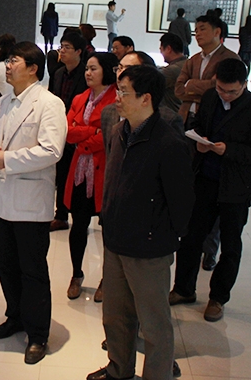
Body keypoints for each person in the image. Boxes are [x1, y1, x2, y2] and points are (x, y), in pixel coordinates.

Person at [87, 65, 195, 380]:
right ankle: (119, 369)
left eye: (124, 92)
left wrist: (162, 236)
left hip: (149, 247)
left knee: (154, 323)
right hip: (116, 241)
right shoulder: (119, 132)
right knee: (115, 316)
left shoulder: (168, 142)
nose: (117, 98)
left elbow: (182, 202)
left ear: (146, 98)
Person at [0, 41, 67, 365]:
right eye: (7, 60)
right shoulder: (2, 101)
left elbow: (51, 150)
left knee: (32, 270)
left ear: (33, 68)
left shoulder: (49, 104)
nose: (7, 65)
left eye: (13, 60)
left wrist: (7, 160)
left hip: (30, 203)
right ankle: (15, 316)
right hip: (3, 198)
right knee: (5, 264)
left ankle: (38, 334)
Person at [170, 58, 251, 322]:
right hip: (205, 178)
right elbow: (199, 127)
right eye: (221, 89)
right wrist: (198, 140)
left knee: (230, 244)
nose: (225, 95)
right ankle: (183, 289)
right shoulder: (209, 98)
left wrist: (229, 150)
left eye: (232, 91)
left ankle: (218, 297)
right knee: (190, 237)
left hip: (236, 186)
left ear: (244, 85)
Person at [64, 52, 118, 302]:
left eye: (93, 69)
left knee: (108, 230)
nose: (88, 73)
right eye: (87, 68)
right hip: (79, 171)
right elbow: (67, 132)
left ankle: (108, 278)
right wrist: (91, 132)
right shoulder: (80, 98)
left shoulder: (116, 99)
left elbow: (109, 136)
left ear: (106, 70)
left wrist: (84, 135)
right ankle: (76, 274)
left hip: (104, 171)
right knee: (78, 225)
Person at [49, 32, 88, 231]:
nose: (62, 51)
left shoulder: (86, 74)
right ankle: (61, 215)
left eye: (67, 47)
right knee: (61, 173)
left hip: (78, 131)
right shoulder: (58, 73)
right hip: (58, 128)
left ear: (79, 51)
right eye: (61, 47)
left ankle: (79, 214)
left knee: (77, 175)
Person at [175, 14, 239, 128]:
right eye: (196, 31)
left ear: (217, 32)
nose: (198, 34)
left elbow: (219, 90)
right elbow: (178, 90)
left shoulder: (230, 58)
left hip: (212, 119)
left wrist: (190, 84)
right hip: (186, 116)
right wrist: (203, 91)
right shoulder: (193, 60)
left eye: (202, 29)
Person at [159, 32, 188, 113]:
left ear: (168, 49)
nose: (161, 53)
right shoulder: (189, 64)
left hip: (171, 113)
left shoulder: (171, 70)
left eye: (161, 49)